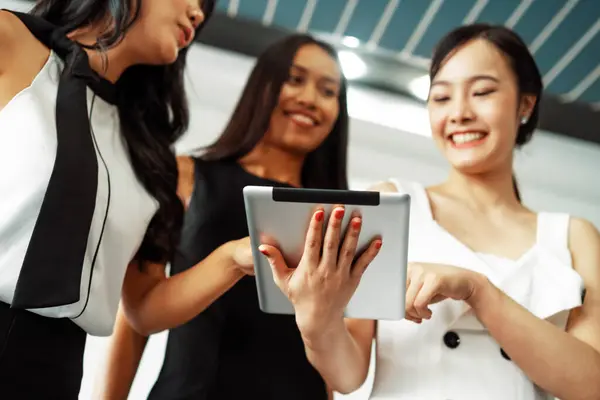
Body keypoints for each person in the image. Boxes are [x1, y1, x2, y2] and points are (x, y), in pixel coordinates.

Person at [260, 24, 600, 400]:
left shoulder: (573, 235)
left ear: (525, 103)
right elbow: (348, 375)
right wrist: (317, 319)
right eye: (441, 98)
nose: (459, 113)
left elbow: (592, 384)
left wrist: (477, 291)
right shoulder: (389, 202)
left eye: (483, 92)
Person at [97, 33, 381, 400]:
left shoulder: (342, 217)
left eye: (328, 91)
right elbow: (137, 320)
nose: (310, 99)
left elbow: (338, 358)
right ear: (262, 85)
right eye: (294, 79)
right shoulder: (184, 176)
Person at [0, 0, 239, 398]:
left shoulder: (148, 154)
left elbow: (143, 307)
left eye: (205, 9)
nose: (198, 13)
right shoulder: (11, 40)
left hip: (52, 370)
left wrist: (234, 258)